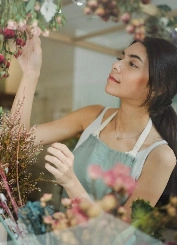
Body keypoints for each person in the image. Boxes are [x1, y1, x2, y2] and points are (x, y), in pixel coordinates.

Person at [11, 35, 177, 221]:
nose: (116, 65)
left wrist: (70, 181)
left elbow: (121, 233)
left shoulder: (161, 157)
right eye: (121, 58)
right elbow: (15, 141)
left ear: (158, 88)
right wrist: (30, 73)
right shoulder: (93, 116)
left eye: (132, 64)